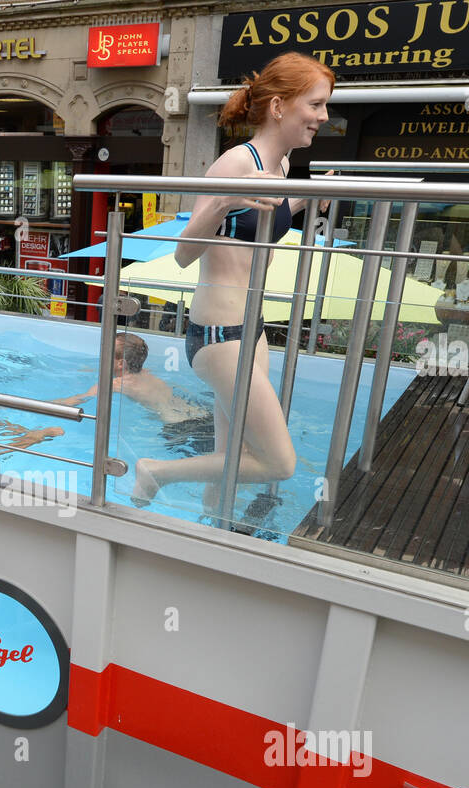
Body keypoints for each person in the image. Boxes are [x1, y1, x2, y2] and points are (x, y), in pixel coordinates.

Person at [130, 51, 335, 517]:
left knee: (228, 463)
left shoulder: (278, 167)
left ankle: (210, 532)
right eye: (316, 104)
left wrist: (305, 201)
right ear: (280, 107)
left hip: (251, 330)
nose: (323, 117)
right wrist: (222, 202)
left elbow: (261, 217)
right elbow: (184, 254)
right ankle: (155, 471)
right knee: (278, 462)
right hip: (220, 336)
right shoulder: (235, 164)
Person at [55, 332, 209, 425]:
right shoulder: (143, 372)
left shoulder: (116, 384)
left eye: (106, 352)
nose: (102, 355)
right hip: (198, 412)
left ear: (121, 363)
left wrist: (43, 404)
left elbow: (78, 400)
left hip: (176, 427)